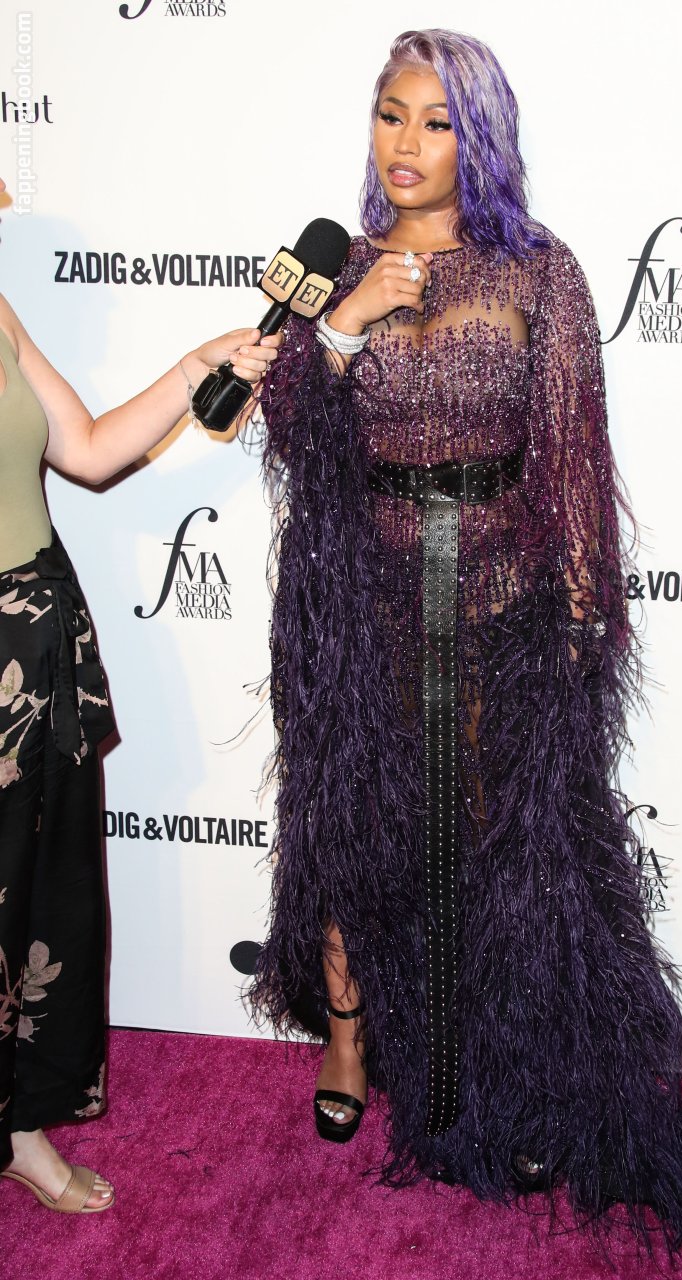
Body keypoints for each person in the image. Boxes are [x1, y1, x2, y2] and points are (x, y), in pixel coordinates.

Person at [251, 29, 682, 1252]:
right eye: (389, 114)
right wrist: (346, 323)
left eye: (435, 121)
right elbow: (280, 425)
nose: (404, 144)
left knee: (506, 842)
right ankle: (346, 1037)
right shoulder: (334, 267)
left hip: (501, 596)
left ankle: (509, 1067)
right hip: (363, 598)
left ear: (480, 139)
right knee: (354, 818)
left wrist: (580, 602)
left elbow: (569, 443)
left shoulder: (536, 270)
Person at [0, 171, 280, 1213]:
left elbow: (85, 451)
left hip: (35, 645)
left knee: (36, 901)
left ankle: (15, 1126)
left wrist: (190, 369)